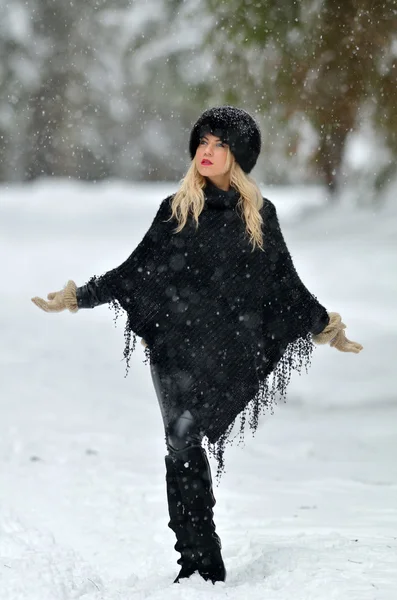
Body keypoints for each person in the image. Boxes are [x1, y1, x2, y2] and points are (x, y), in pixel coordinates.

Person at [31, 106, 363, 585]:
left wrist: (326, 328)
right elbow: (134, 271)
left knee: (186, 439)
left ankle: (202, 564)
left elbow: (285, 286)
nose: (206, 152)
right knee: (180, 440)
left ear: (238, 155)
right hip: (174, 347)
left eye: (219, 144)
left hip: (228, 348)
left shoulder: (259, 217)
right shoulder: (176, 209)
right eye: (202, 143)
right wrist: (77, 297)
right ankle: (197, 561)